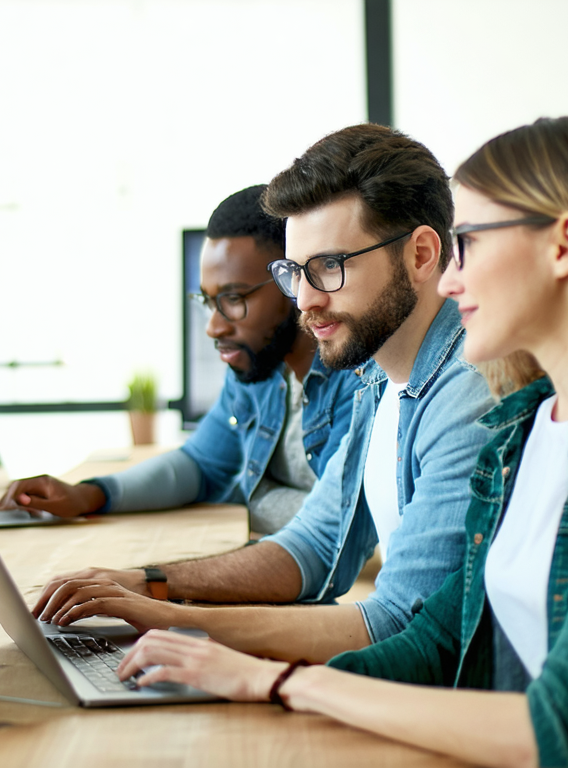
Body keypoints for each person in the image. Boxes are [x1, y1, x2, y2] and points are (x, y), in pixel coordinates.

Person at [116, 116, 568, 767]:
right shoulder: (525, 424)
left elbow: (560, 722)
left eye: (471, 244)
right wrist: (230, 665)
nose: (453, 281)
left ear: (564, 244)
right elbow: (433, 642)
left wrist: (278, 681)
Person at [35, 124, 496, 664]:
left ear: (421, 255)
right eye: (295, 272)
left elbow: (397, 625)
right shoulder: (379, 376)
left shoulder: (465, 396)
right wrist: (148, 585)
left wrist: (180, 623)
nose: (305, 300)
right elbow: (314, 545)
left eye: (329, 266)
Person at [0, 185, 362, 537]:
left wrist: (249, 496)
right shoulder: (260, 369)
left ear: (292, 281)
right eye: (208, 301)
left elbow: (340, 520)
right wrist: (89, 495)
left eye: (234, 299)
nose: (213, 327)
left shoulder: (359, 380)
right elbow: (200, 465)